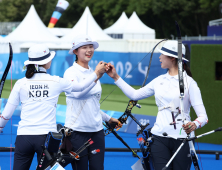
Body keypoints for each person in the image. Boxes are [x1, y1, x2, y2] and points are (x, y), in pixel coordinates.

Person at [0, 44, 107, 170]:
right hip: (47, 140)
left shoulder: (20, 83)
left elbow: (6, 114)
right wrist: (96, 73)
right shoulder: (56, 81)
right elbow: (80, 87)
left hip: (24, 138)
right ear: (47, 63)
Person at [106, 40, 208, 170]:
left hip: (183, 140)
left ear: (172, 58)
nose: (159, 57)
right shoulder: (159, 81)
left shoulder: (190, 83)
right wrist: (115, 77)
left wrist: (194, 124)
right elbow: (135, 95)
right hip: (158, 137)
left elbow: (203, 117)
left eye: (162, 54)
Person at [63, 34, 121, 170]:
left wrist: (108, 118)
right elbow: (78, 94)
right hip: (77, 131)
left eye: (91, 47)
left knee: (98, 168)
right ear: (76, 51)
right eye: (84, 47)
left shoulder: (93, 72)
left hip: (97, 131)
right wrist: (96, 74)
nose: (89, 50)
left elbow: (93, 103)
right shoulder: (70, 72)